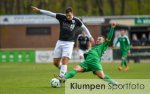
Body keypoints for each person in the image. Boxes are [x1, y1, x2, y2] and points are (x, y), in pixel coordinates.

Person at [32, 6, 94, 78]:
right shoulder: (61, 17)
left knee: (65, 59)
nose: (68, 17)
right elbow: (50, 13)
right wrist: (39, 10)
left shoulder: (77, 20)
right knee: (55, 63)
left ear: (72, 14)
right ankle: (64, 71)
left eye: (69, 15)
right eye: (67, 15)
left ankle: (62, 76)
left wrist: (90, 36)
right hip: (60, 42)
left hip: (69, 43)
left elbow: (84, 27)